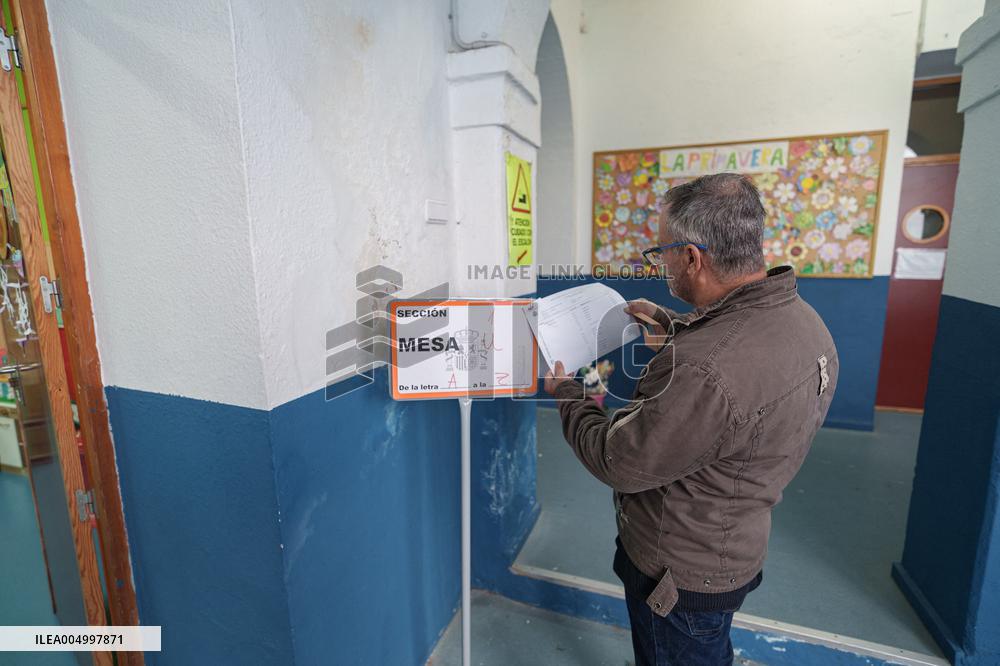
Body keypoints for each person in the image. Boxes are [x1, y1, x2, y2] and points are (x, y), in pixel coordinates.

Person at [543, 172, 839, 666]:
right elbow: (736, 379)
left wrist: (576, 393)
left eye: (661, 254)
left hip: (679, 570)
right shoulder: (800, 320)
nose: (660, 265)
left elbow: (619, 460)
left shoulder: (707, 369)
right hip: (731, 542)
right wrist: (673, 329)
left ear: (692, 258)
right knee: (706, 649)